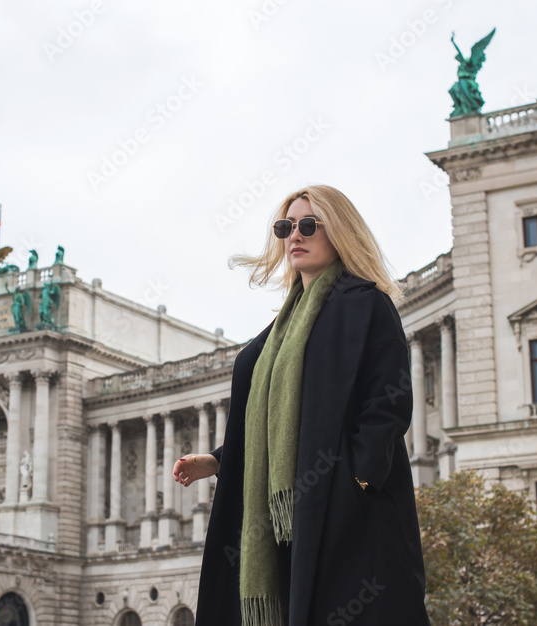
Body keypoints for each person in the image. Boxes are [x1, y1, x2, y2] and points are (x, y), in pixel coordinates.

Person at [172, 185, 431, 625]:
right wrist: (218, 460)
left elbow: (388, 406)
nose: (295, 235)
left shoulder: (368, 304)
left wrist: (356, 485)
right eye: (285, 227)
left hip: (341, 515)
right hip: (282, 526)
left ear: (340, 232)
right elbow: (271, 423)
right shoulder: (276, 333)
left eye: (308, 225)